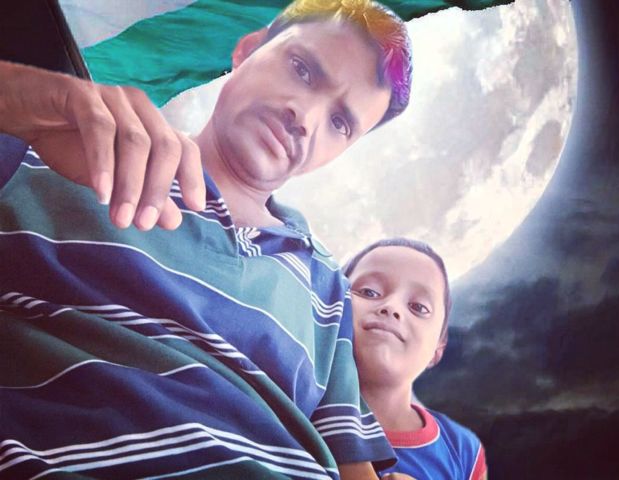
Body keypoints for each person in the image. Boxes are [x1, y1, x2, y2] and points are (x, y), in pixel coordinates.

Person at [0, 1, 412, 479]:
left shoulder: (328, 285)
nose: (306, 117)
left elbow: (350, 464)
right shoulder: (58, 144)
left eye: (340, 122)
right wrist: (23, 99)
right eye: (302, 69)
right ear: (247, 49)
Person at [344, 238, 488, 480]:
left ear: (438, 346)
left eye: (419, 307)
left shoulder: (463, 451)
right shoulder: (290, 411)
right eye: (369, 292)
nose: (392, 307)